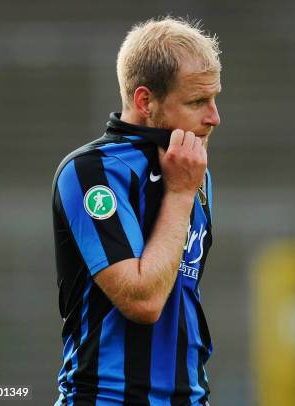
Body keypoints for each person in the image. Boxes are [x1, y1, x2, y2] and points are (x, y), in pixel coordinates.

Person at [51, 16, 221, 405]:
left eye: (214, 99)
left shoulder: (190, 169)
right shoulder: (91, 172)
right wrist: (179, 196)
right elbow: (142, 302)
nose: (214, 117)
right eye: (197, 102)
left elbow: (184, 297)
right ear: (145, 101)